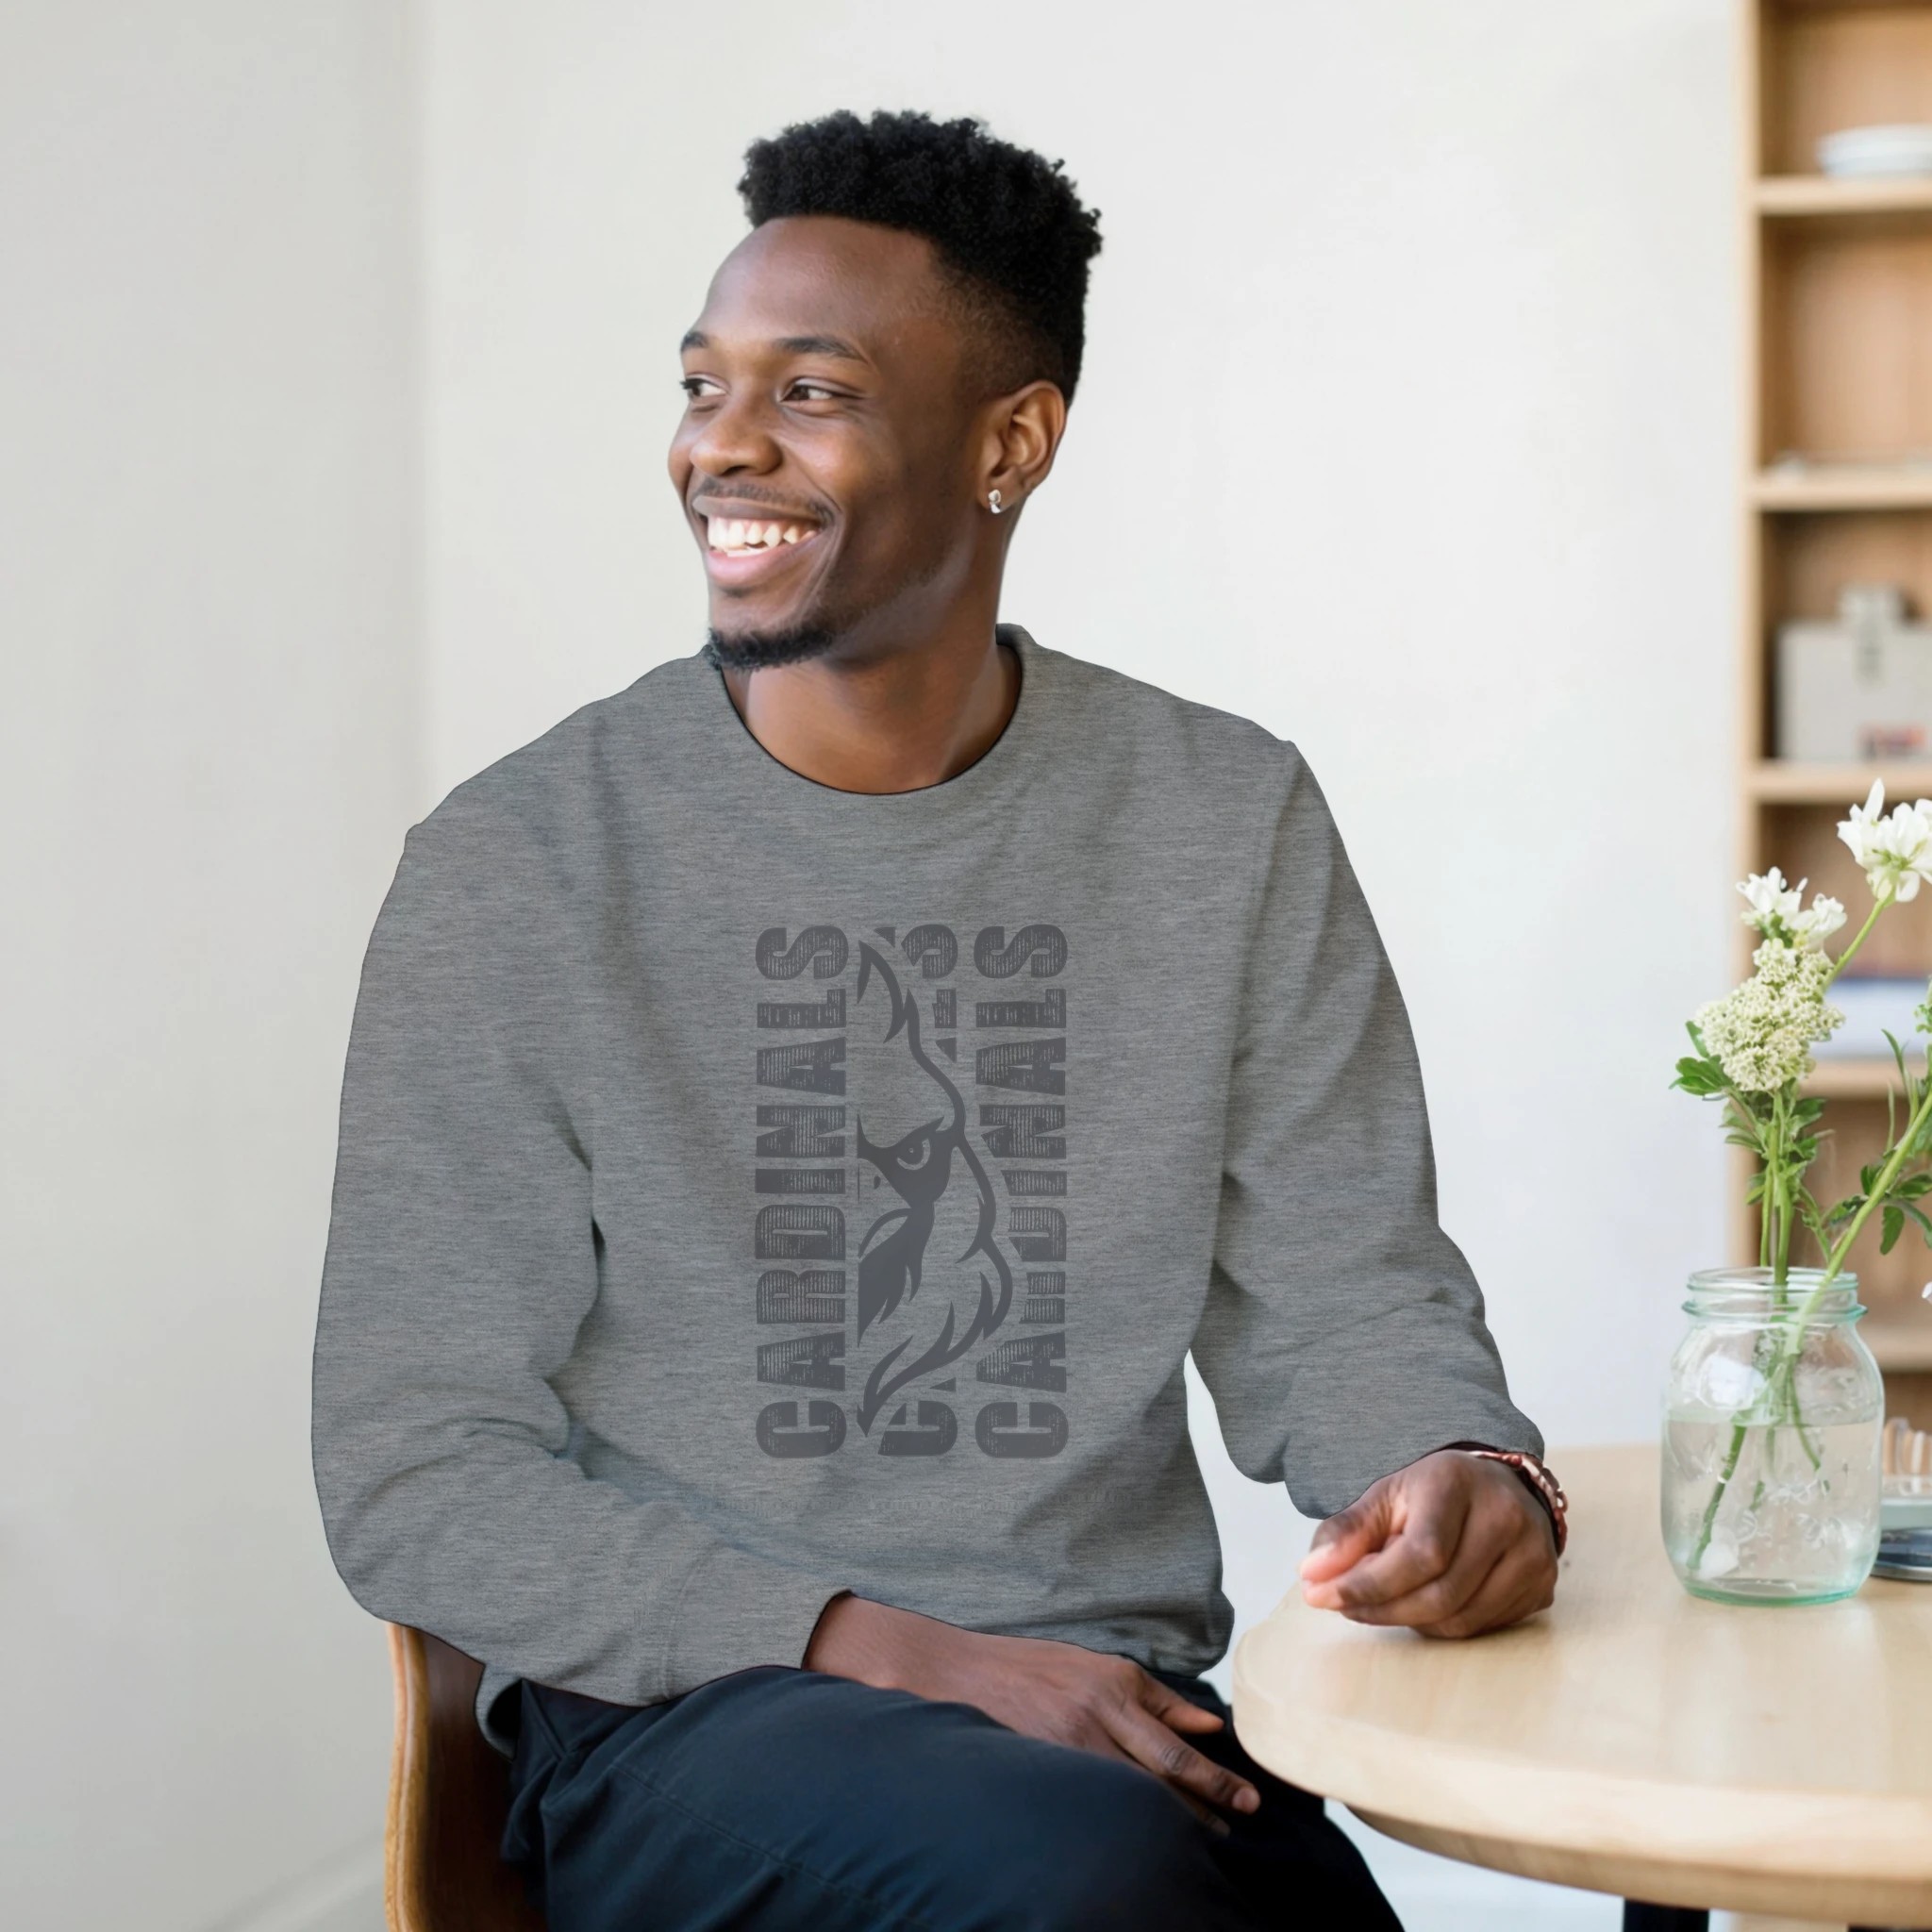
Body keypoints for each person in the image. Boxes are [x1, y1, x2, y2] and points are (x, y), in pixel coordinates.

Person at [311, 108, 1562, 1932]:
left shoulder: (1221, 819)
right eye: (703, 385)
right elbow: (416, 1470)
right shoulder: (521, 866)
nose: (721, 444)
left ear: (1010, 443)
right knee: (1089, 1886)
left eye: (810, 391)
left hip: (1115, 1719)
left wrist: (1457, 1467)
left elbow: (1348, 1289)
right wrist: (893, 1650)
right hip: (686, 1721)